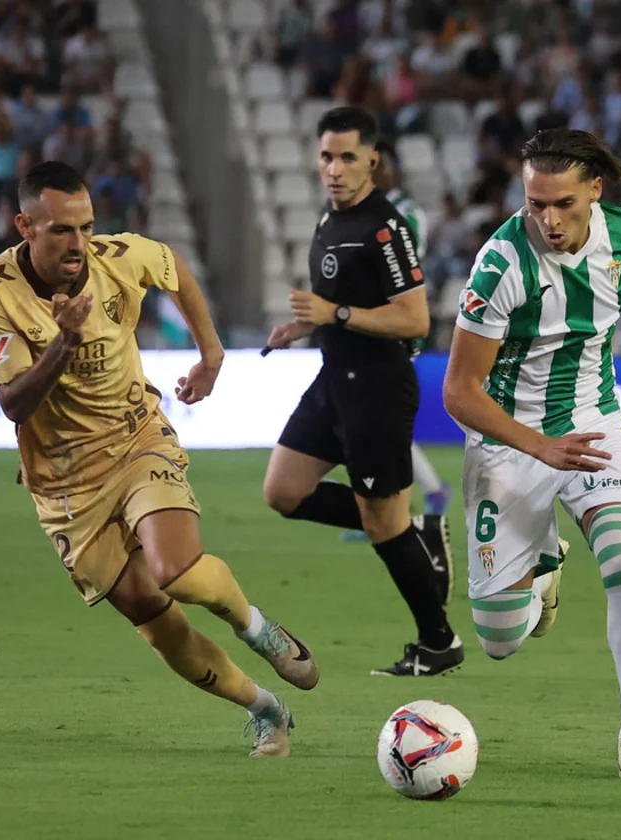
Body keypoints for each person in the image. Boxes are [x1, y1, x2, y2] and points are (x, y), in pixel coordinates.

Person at [0, 161, 316, 758]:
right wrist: (66, 341)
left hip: (136, 439)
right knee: (155, 620)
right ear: (24, 225)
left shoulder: (117, 258)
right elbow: (14, 404)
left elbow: (173, 267)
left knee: (174, 569)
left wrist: (211, 352)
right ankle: (265, 709)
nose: (79, 243)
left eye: (85, 226)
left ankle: (255, 626)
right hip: (65, 484)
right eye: (60, 231)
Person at [442, 129, 621, 784]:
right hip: (509, 440)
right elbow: (458, 391)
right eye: (535, 204)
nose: (547, 220)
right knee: (501, 639)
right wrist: (537, 447)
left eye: (561, 203)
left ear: (595, 188)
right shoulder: (501, 263)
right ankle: (546, 563)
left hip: (592, 425)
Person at [261, 106, 462, 677]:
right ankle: (412, 529)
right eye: (326, 156)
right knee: (282, 492)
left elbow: (414, 320)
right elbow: (339, 308)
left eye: (348, 156)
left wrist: (336, 312)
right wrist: (305, 326)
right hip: (334, 379)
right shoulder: (329, 222)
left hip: (377, 387)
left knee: (380, 523)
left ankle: (437, 642)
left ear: (373, 159)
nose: (335, 168)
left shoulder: (384, 227)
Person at [338, 135, 450, 547]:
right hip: (363, 325)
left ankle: (387, 511)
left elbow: (401, 266)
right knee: (370, 420)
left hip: (393, 323)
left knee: (371, 419)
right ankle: (409, 499)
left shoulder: (403, 213)